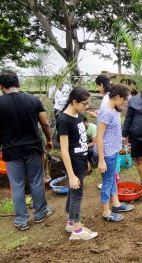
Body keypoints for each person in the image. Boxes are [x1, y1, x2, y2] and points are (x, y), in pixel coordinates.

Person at [0, 70, 54, 231]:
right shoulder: (33, 100)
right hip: (33, 148)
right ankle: (40, 213)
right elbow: (44, 123)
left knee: (16, 185)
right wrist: (49, 140)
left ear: (1, 87)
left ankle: (21, 220)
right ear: (18, 84)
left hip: (11, 151)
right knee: (36, 180)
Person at [56, 87, 98, 240]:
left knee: (73, 193)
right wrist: (72, 175)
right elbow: (64, 151)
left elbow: (80, 142)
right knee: (77, 195)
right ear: (74, 102)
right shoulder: (64, 120)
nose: (86, 107)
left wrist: (86, 160)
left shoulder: (78, 114)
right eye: (84, 104)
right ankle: (77, 231)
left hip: (80, 160)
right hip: (73, 163)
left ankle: (70, 223)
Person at [94, 84, 134, 223]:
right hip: (107, 154)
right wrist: (101, 159)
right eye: (124, 99)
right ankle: (106, 212)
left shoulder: (113, 109)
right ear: (117, 97)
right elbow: (99, 136)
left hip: (114, 150)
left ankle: (116, 204)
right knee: (107, 182)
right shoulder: (106, 111)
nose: (125, 102)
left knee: (113, 179)